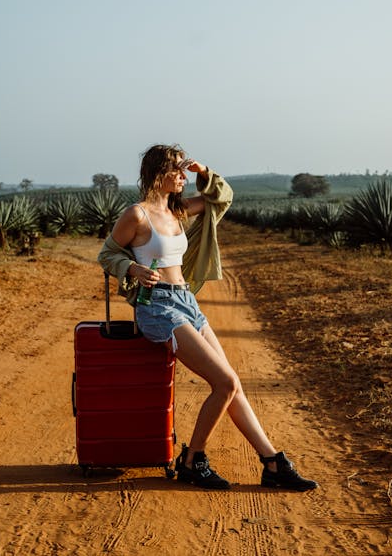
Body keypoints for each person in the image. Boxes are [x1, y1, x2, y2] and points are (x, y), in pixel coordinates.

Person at [98, 144, 317, 491]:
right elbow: (107, 254)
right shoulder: (136, 215)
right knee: (226, 383)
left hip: (187, 301)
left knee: (233, 385)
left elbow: (222, 198)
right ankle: (192, 459)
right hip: (157, 307)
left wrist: (204, 171)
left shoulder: (178, 210)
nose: (184, 177)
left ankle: (272, 462)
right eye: (179, 171)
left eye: (186, 172)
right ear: (160, 174)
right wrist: (132, 267)